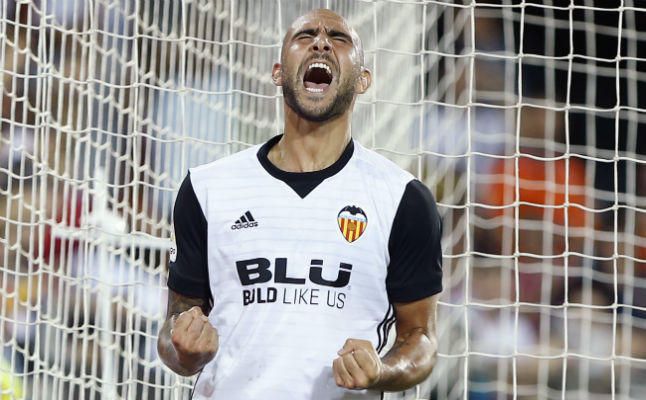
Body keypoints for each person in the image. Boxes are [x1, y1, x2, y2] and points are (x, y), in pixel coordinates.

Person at [157, 9, 443, 399]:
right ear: (278, 72)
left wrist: (381, 370)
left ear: (363, 80)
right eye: (305, 35)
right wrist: (184, 350)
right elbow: (175, 325)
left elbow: (420, 338)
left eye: (338, 38)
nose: (321, 42)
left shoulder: (402, 199)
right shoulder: (208, 188)